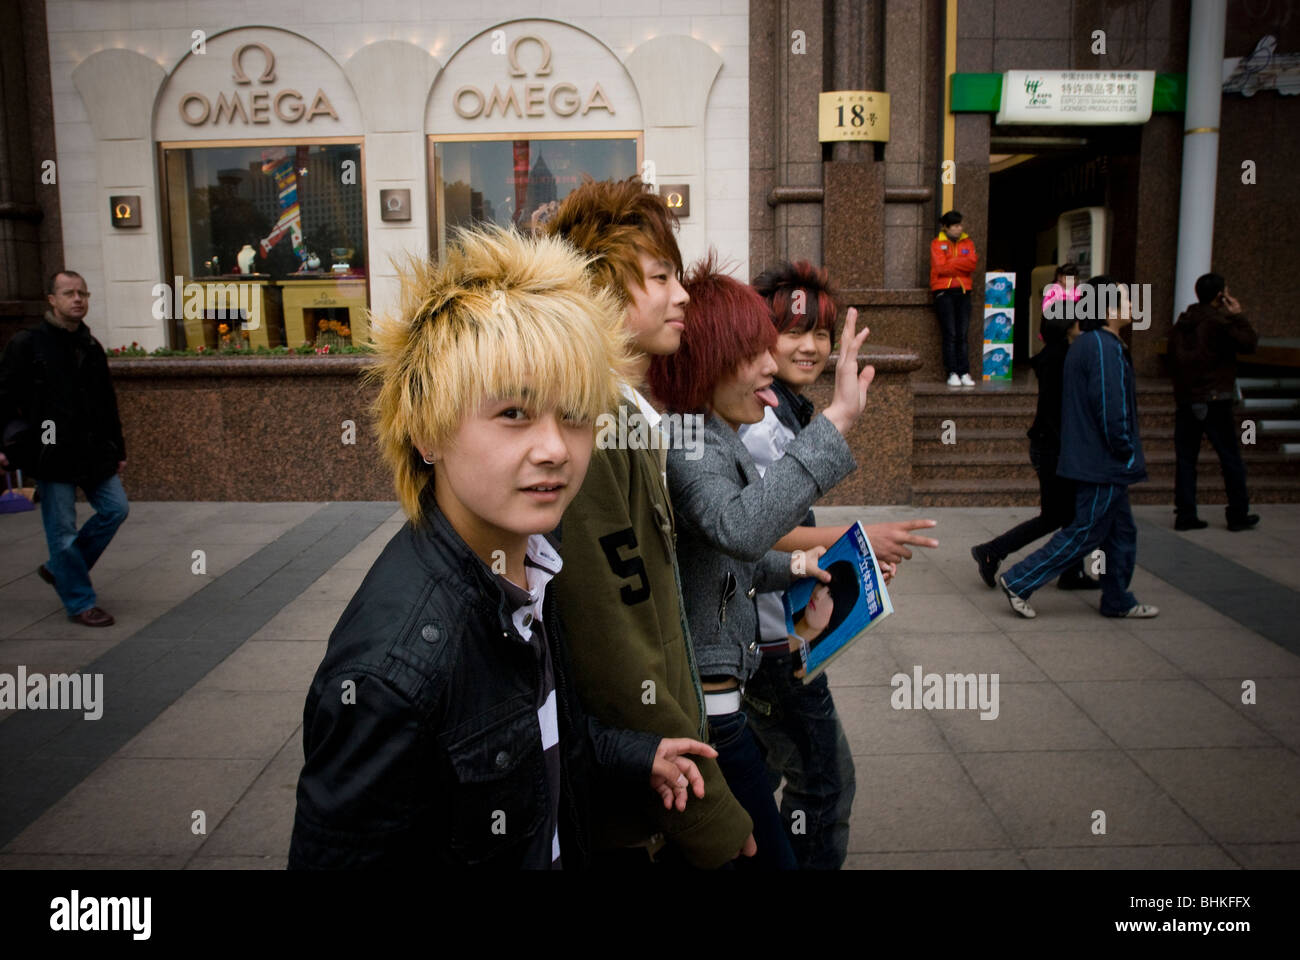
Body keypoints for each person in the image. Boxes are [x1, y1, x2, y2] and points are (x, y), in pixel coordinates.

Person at [288, 227, 718, 870]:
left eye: (573, 414)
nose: (553, 448)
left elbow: (532, 733)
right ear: (428, 430)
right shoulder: (390, 672)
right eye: (514, 413)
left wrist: (631, 754)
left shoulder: (533, 570)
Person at [543, 178, 756, 869]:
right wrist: (713, 816)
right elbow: (621, 637)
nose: (682, 294)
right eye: (659, 276)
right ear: (602, 289)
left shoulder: (628, 411)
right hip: (632, 814)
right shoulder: (597, 422)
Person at [649, 254, 873, 870]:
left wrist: (806, 569)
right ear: (710, 361)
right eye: (756, 352)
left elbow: (729, 560)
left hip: (725, 708)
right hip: (716, 720)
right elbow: (741, 529)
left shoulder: (713, 434)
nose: (773, 365)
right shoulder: (690, 438)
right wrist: (839, 419)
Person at [736, 259, 938, 870]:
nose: (810, 346)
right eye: (793, 331)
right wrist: (858, 537)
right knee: (824, 784)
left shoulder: (782, 408)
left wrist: (850, 555)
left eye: (821, 333)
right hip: (767, 641)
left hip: (776, 628)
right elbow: (755, 525)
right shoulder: (756, 418)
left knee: (764, 772)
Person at [997, 277, 1158, 621]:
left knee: (1120, 531)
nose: (1132, 306)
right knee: (1085, 531)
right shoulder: (1101, 347)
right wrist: (1125, 450)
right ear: (1108, 308)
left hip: (1096, 459)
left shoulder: (1092, 344)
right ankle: (1020, 579)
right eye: (1126, 300)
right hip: (1102, 462)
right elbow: (1110, 408)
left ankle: (1117, 598)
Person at [0, 270, 128, 627]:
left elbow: (107, 403)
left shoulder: (90, 345)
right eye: (69, 293)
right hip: (50, 447)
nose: (77, 299)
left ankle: (60, 568)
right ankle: (80, 601)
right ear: (51, 300)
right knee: (63, 530)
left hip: (93, 451)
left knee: (116, 509)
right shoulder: (28, 343)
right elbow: (5, 397)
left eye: (82, 293)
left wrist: (118, 449)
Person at [971, 310, 1100, 591]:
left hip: (1050, 445)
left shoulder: (1055, 356)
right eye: (1076, 321)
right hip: (1054, 448)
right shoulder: (1062, 359)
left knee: (1067, 515)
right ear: (1067, 327)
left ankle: (1070, 571)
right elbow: (1060, 412)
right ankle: (992, 550)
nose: (1081, 325)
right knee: (1058, 516)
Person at [1169, 273, 1260, 532]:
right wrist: (1237, 314)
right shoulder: (1220, 323)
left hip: (1188, 399)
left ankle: (1185, 513)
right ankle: (1237, 512)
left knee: (1186, 459)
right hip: (1215, 399)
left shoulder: (1183, 323)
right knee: (1229, 457)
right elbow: (1249, 343)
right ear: (1221, 296)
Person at [930, 210, 978, 387]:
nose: (959, 228)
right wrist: (960, 263)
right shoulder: (937, 244)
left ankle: (964, 371)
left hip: (963, 291)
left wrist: (952, 262)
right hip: (944, 292)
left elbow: (972, 263)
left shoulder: (968, 242)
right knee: (950, 333)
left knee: (962, 334)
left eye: (960, 225)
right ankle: (952, 372)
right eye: (956, 225)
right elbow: (941, 268)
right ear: (946, 227)